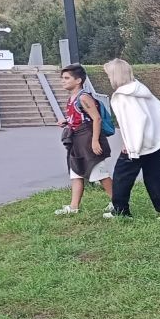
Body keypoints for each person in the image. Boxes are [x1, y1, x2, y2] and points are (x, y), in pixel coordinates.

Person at [103, 58, 160, 219]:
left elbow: (134, 122)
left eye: (109, 75)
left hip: (138, 145)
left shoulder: (122, 96)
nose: (108, 78)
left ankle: (121, 211)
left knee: (121, 177)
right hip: (152, 143)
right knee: (156, 179)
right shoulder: (140, 89)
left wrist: (131, 146)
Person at [54, 64, 114, 215]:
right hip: (76, 140)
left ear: (78, 80)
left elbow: (96, 118)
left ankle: (117, 202)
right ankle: (74, 206)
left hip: (87, 139)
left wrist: (95, 141)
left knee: (100, 172)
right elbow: (81, 117)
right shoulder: (72, 98)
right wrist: (67, 122)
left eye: (67, 78)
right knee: (76, 172)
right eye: (63, 78)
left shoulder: (84, 97)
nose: (63, 81)